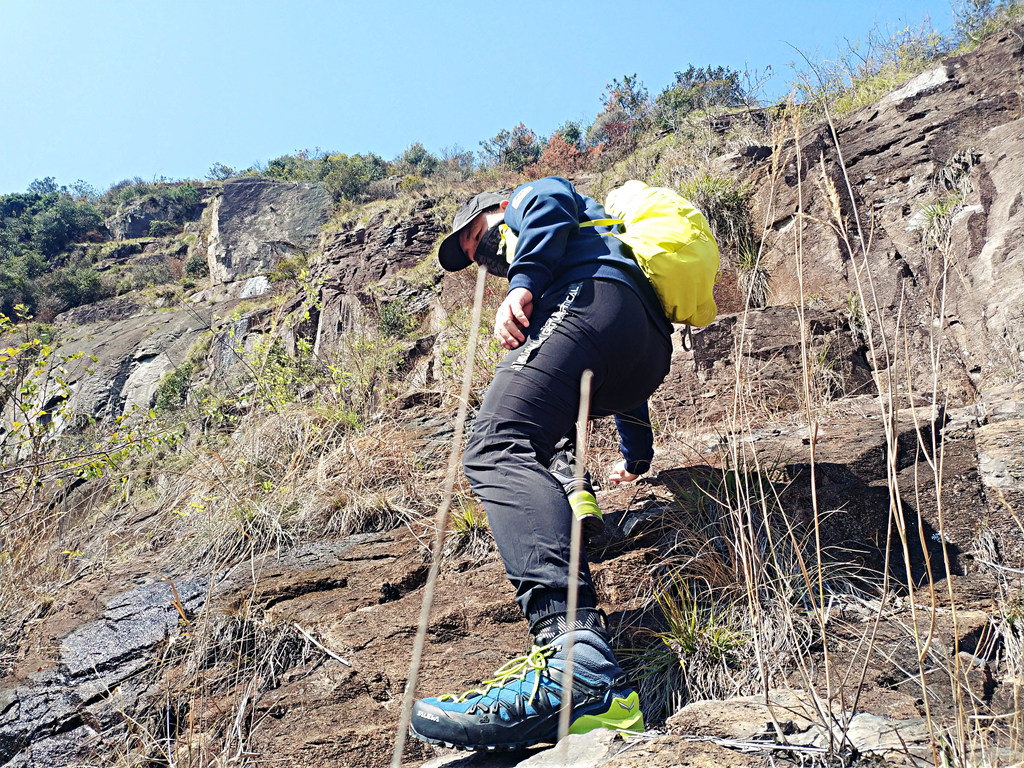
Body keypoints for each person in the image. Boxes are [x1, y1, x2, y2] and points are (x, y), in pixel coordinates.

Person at [409, 176, 673, 751]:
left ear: (498, 211)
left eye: (477, 240)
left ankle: (577, 664)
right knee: (536, 438)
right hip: (643, 343)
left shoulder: (530, 203)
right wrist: (638, 458)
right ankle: (578, 524)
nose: (481, 257)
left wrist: (526, 283)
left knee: (495, 445)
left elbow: (548, 204)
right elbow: (626, 384)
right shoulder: (592, 257)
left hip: (594, 301)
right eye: (474, 258)